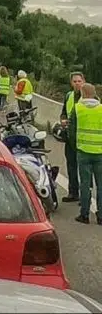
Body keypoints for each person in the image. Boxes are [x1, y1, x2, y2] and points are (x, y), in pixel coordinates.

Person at [71, 83, 102, 224]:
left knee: (85, 184)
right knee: (101, 185)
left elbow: (71, 130)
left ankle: (84, 214)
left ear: (82, 93)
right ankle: (101, 216)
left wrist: (75, 146)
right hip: (100, 152)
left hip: (83, 151)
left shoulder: (77, 108)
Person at [61, 72, 86, 203]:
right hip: (70, 138)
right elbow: (63, 112)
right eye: (75, 81)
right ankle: (73, 192)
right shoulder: (68, 96)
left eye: (79, 81)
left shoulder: (89, 97)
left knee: (84, 169)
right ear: (71, 83)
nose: (77, 83)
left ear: (83, 82)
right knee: (71, 166)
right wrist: (63, 120)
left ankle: (85, 196)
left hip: (83, 139)